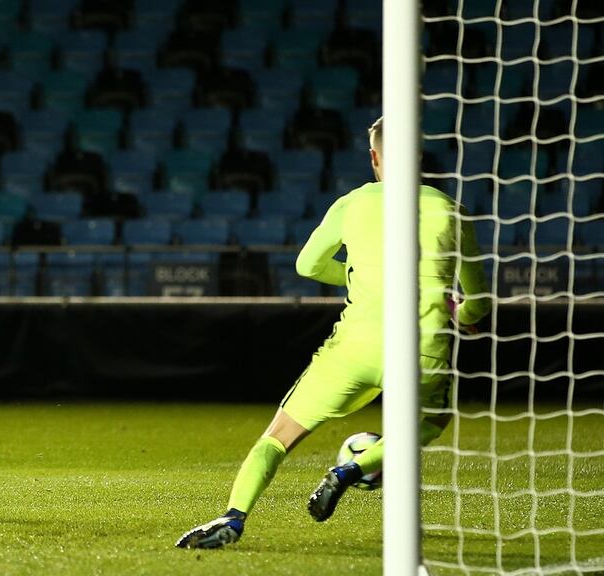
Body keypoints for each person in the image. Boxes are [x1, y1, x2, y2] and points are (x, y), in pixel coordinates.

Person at [176, 116, 490, 548]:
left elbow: (307, 265)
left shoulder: (351, 203)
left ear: (374, 157)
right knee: (429, 422)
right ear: (417, 156)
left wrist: (355, 273)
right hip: (423, 347)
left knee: (278, 436)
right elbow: (479, 300)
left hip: (354, 349)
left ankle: (233, 518)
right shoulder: (450, 209)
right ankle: (350, 469)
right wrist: (464, 312)